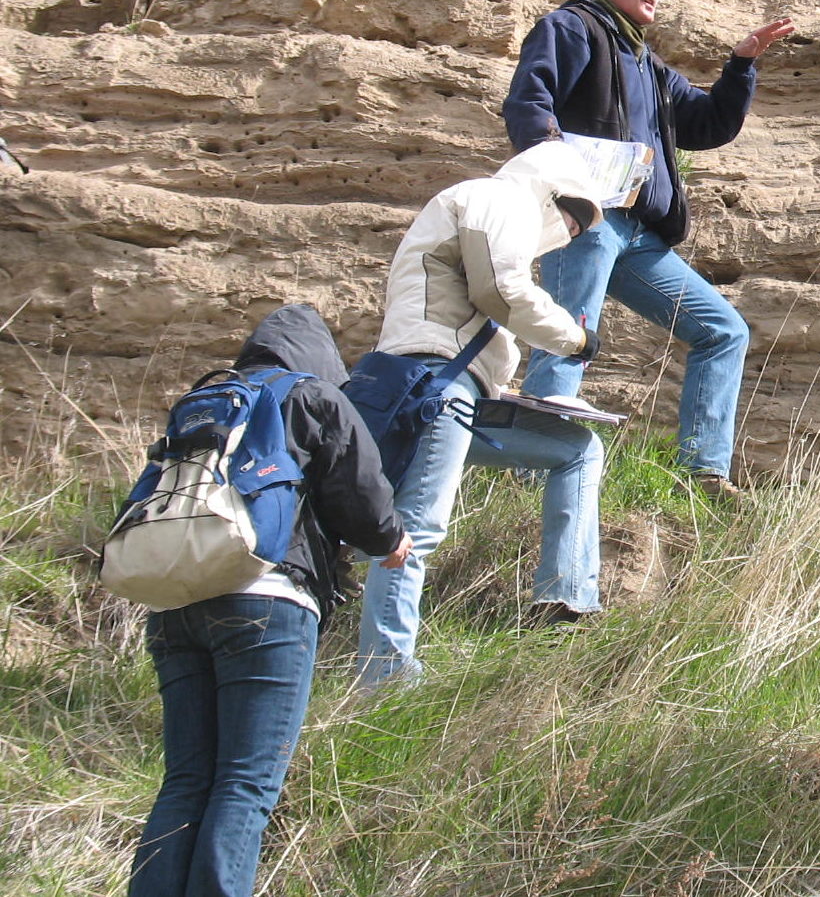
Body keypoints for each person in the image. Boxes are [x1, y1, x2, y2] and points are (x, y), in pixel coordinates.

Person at [129, 305, 411, 897]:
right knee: (246, 783)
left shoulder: (205, 399)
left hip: (175, 602)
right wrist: (390, 541)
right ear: (321, 359)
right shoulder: (310, 396)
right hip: (267, 602)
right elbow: (358, 487)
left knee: (185, 781)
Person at [502, 0, 796, 502]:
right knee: (566, 339)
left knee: (723, 331)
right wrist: (562, 182)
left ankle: (703, 474)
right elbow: (527, 102)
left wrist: (741, 64)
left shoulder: (645, 62)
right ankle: (530, 476)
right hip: (587, 220)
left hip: (639, 235)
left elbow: (707, 124)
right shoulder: (570, 27)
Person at [355, 141, 607, 689]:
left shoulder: (499, 213)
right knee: (417, 526)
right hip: (435, 385)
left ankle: (566, 596)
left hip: (456, 391)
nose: (573, 228)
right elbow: (501, 290)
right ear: (549, 188)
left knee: (578, 450)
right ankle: (385, 674)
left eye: (582, 224)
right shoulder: (496, 198)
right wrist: (576, 339)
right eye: (574, 213)